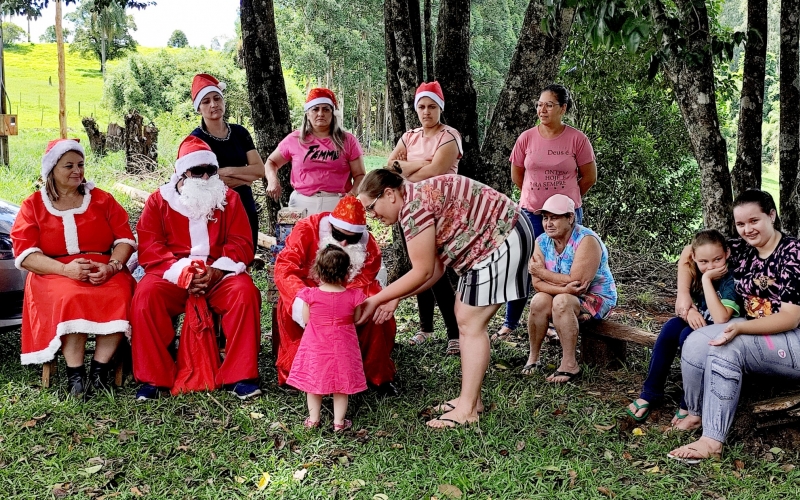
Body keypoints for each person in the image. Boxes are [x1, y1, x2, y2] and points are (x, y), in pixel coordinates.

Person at [356, 168, 535, 428]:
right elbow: (435, 269)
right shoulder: (415, 198)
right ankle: (471, 400)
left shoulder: (413, 208)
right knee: (465, 317)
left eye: (372, 208)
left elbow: (423, 271)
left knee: (470, 322)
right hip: (505, 233)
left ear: (389, 194)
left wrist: (376, 299)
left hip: (502, 238)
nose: (373, 217)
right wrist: (395, 298)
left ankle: (467, 410)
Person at [668, 189, 800, 463]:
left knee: (728, 347)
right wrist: (683, 295)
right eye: (741, 224)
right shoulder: (741, 249)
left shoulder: (793, 253)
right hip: (756, 328)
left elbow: (790, 317)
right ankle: (695, 413)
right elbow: (689, 252)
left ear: (771, 215)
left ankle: (712, 441)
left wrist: (739, 329)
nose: (747, 230)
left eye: (754, 221)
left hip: (791, 337)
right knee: (695, 341)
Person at [130, 136, 262, 401]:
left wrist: (217, 271)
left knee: (245, 293)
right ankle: (154, 378)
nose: (204, 178)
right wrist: (183, 273)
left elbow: (241, 242)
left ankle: (240, 375)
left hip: (218, 274)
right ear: (181, 173)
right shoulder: (159, 202)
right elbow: (150, 245)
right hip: (172, 274)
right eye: (197, 171)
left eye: (210, 171)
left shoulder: (230, 199)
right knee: (146, 297)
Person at [11, 139, 136, 396]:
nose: (77, 171)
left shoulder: (102, 199)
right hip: (53, 273)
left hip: (103, 269)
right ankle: (76, 376)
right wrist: (65, 270)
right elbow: (25, 254)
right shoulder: (33, 205)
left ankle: (99, 372)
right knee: (71, 296)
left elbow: (125, 239)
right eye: (68, 165)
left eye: (80, 164)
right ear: (51, 170)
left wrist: (112, 267)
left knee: (120, 292)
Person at [494, 84, 597, 343]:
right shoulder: (526, 138)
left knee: (560, 267)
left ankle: (555, 322)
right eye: (539, 104)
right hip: (530, 214)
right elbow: (518, 175)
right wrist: (538, 201)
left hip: (565, 217)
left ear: (563, 108)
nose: (542, 109)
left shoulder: (577, 139)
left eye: (549, 105)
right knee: (522, 267)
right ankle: (510, 322)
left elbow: (589, 177)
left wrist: (564, 204)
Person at [273, 195, 397, 393]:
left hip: (349, 293)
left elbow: (367, 278)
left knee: (375, 307)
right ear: (331, 226)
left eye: (353, 238)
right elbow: (285, 268)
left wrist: (344, 301)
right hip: (310, 288)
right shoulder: (307, 229)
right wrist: (307, 298)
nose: (345, 243)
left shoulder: (368, 243)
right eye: (339, 236)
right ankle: (296, 373)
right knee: (287, 305)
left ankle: (375, 375)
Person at [626, 230, 740, 423]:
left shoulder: (729, 279)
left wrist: (706, 280)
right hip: (701, 320)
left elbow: (721, 318)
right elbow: (683, 305)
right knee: (671, 327)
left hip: (721, 328)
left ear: (727, 254)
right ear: (694, 257)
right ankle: (651, 391)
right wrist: (690, 312)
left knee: (687, 336)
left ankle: (688, 402)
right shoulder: (693, 268)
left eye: (717, 260)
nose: (710, 266)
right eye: (703, 262)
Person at [387, 81, 461, 355]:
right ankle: (426, 328)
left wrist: (408, 168)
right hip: (413, 210)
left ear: (440, 108)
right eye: (421, 106)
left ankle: (454, 332)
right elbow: (390, 169)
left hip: (444, 209)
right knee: (419, 265)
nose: (426, 112)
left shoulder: (450, 136)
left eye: (432, 106)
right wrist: (422, 165)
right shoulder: (409, 136)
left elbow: (438, 171)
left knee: (438, 269)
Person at [523, 194, 617, 383]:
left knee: (562, 302)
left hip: (596, 297)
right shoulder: (541, 242)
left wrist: (541, 271)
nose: (548, 223)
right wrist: (563, 287)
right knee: (539, 300)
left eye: (554, 218)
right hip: (563, 294)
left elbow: (578, 283)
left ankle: (569, 364)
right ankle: (533, 358)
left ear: (570, 217)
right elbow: (537, 285)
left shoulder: (586, 240)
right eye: (545, 218)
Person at [287, 245, 367, 432]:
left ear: (318, 271)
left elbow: (306, 320)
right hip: (343, 346)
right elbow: (355, 319)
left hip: (316, 345)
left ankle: (313, 419)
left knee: (313, 383)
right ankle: (339, 422)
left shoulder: (311, 295)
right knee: (341, 386)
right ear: (347, 271)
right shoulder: (353, 296)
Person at [189, 73, 265, 251]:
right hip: (214, 207)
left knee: (246, 254)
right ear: (198, 108)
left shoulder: (240, 133)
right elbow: (200, 182)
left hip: (244, 203)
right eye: (206, 101)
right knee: (219, 257)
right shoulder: (196, 140)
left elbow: (259, 170)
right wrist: (246, 178)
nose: (213, 104)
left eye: (217, 98)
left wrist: (225, 171)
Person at [265, 88, 366, 215]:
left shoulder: (348, 140)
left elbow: (360, 175)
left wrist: (350, 197)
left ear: (332, 113)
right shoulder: (294, 139)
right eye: (315, 109)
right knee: (300, 235)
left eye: (326, 109)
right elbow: (271, 161)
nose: (320, 113)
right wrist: (273, 180)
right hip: (301, 203)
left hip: (337, 202)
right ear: (307, 113)